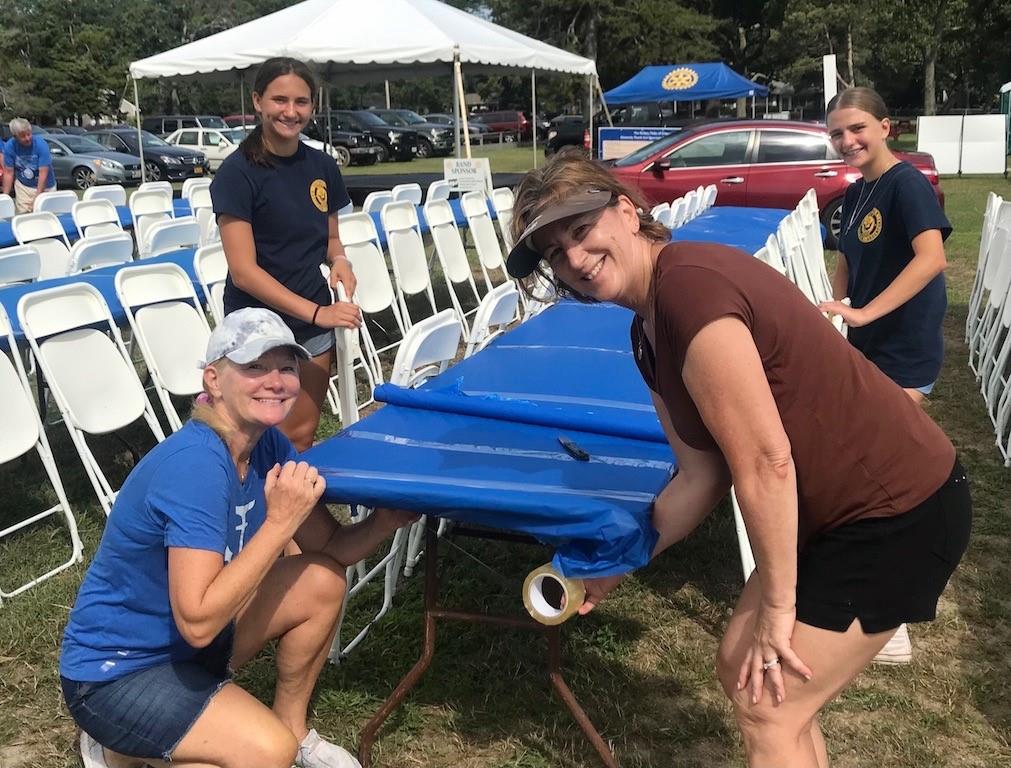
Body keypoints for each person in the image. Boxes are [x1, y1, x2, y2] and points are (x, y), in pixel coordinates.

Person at [504, 148, 971, 768]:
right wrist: (622, 558)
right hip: (836, 516)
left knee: (767, 702)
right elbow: (700, 475)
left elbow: (766, 463)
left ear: (626, 211)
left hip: (900, 510)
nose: (574, 259)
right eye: (555, 252)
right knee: (741, 669)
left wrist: (780, 607)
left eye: (581, 230)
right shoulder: (645, 329)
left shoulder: (689, 291)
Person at [60, 308, 416, 768]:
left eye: (287, 367)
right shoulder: (196, 466)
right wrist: (279, 525)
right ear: (213, 379)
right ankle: (118, 745)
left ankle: (291, 727)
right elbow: (199, 622)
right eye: (254, 367)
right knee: (267, 755)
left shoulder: (266, 444)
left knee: (322, 579)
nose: (276, 381)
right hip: (117, 673)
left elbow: (330, 549)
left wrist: (385, 522)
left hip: (189, 648)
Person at [818, 87, 952, 664]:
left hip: (903, 350)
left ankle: (890, 615)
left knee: (882, 480)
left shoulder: (905, 185)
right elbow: (846, 255)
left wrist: (867, 313)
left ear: (886, 126)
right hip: (869, 349)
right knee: (866, 470)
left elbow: (932, 258)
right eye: (837, 134)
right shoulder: (856, 192)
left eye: (857, 129)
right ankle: (882, 600)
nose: (848, 141)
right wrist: (839, 303)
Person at [212, 57, 361, 453]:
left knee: (299, 437)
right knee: (250, 440)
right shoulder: (236, 173)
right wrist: (316, 313)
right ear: (258, 101)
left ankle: (291, 511)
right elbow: (243, 272)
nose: (291, 112)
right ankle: (249, 512)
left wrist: (340, 260)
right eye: (280, 100)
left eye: (301, 102)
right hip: (257, 330)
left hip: (313, 323)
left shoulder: (322, 165)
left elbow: (330, 240)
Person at [2, 118, 56, 213]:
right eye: (22, 136)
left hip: (46, 186)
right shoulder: (9, 147)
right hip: (24, 186)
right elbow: (8, 173)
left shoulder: (41, 144)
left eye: (29, 134)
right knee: (25, 217)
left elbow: (43, 173)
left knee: (44, 215)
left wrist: (38, 197)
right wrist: (5, 197)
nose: (27, 138)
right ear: (15, 136)